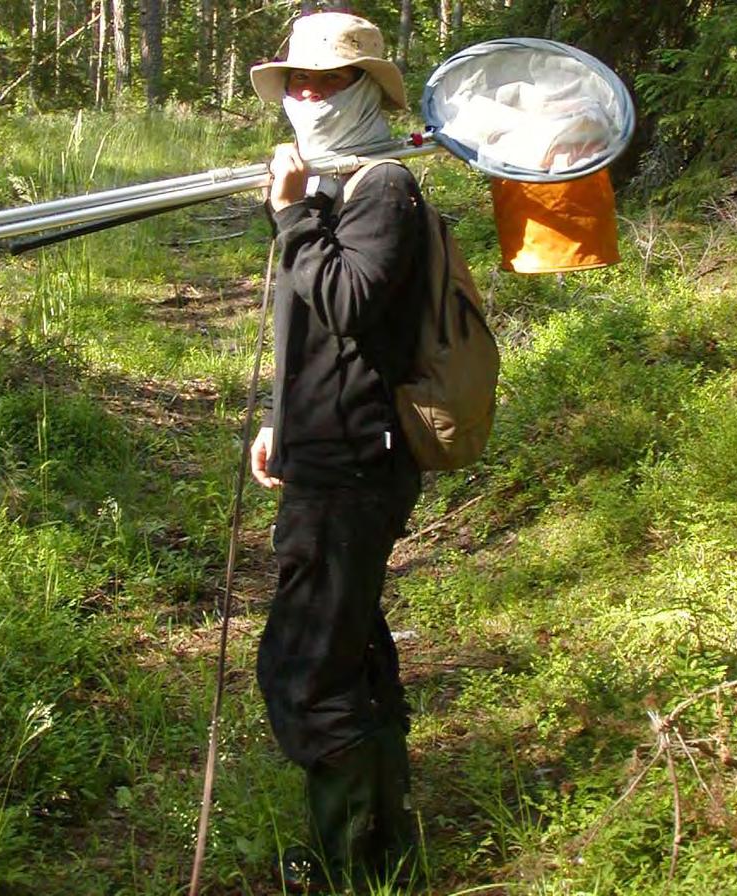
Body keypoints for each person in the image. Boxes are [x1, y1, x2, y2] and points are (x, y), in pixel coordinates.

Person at [248, 11, 426, 891]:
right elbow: (311, 330)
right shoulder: (331, 181)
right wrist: (282, 415)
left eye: (329, 81)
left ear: (368, 89)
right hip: (322, 443)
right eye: (299, 84)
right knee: (349, 645)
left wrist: (291, 216)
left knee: (308, 665)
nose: (309, 96)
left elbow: (352, 299)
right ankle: (382, 849)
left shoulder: (383, 185)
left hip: (356, 461)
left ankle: (349, 868)